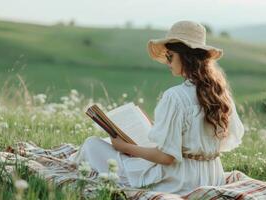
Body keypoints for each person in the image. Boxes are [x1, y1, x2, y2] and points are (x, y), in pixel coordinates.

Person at [70, 20, 245, 196]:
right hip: (212, 176)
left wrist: (126, 148)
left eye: (170, 56)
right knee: (108, 144)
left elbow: (166, 158)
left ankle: (72, 165)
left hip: (179, 181)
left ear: (185, 56)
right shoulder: (220, 93)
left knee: (92, 145)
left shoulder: (175, 96)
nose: (168, 62)